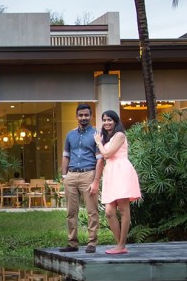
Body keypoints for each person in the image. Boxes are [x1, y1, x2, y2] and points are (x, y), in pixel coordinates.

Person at [91, 110, 141, 254]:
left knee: (124, 210)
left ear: (115, 121)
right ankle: (120, 245)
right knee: (109, 212)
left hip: (121, 171)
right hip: (111, 173)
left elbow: (107, 154)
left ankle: (121, 245)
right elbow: (102, 158)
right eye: (104, 120)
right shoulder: (107, 138)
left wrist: (99, 143)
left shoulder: (119, 135)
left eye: (109, 120)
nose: (106, 122)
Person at [60, 104, 100, 253]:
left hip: (88, 174)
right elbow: (66, 156)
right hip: (71, 175)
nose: (84, 118)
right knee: (71, 211)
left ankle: (92, 243)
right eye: (81, 115)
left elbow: (100, 159)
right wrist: (64, 176)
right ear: (76, 116)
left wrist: (96, 179)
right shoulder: (70, 135)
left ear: (91, 116)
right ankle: (72, 243)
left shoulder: (96, 134)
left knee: (92, 210)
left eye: (86, 115)